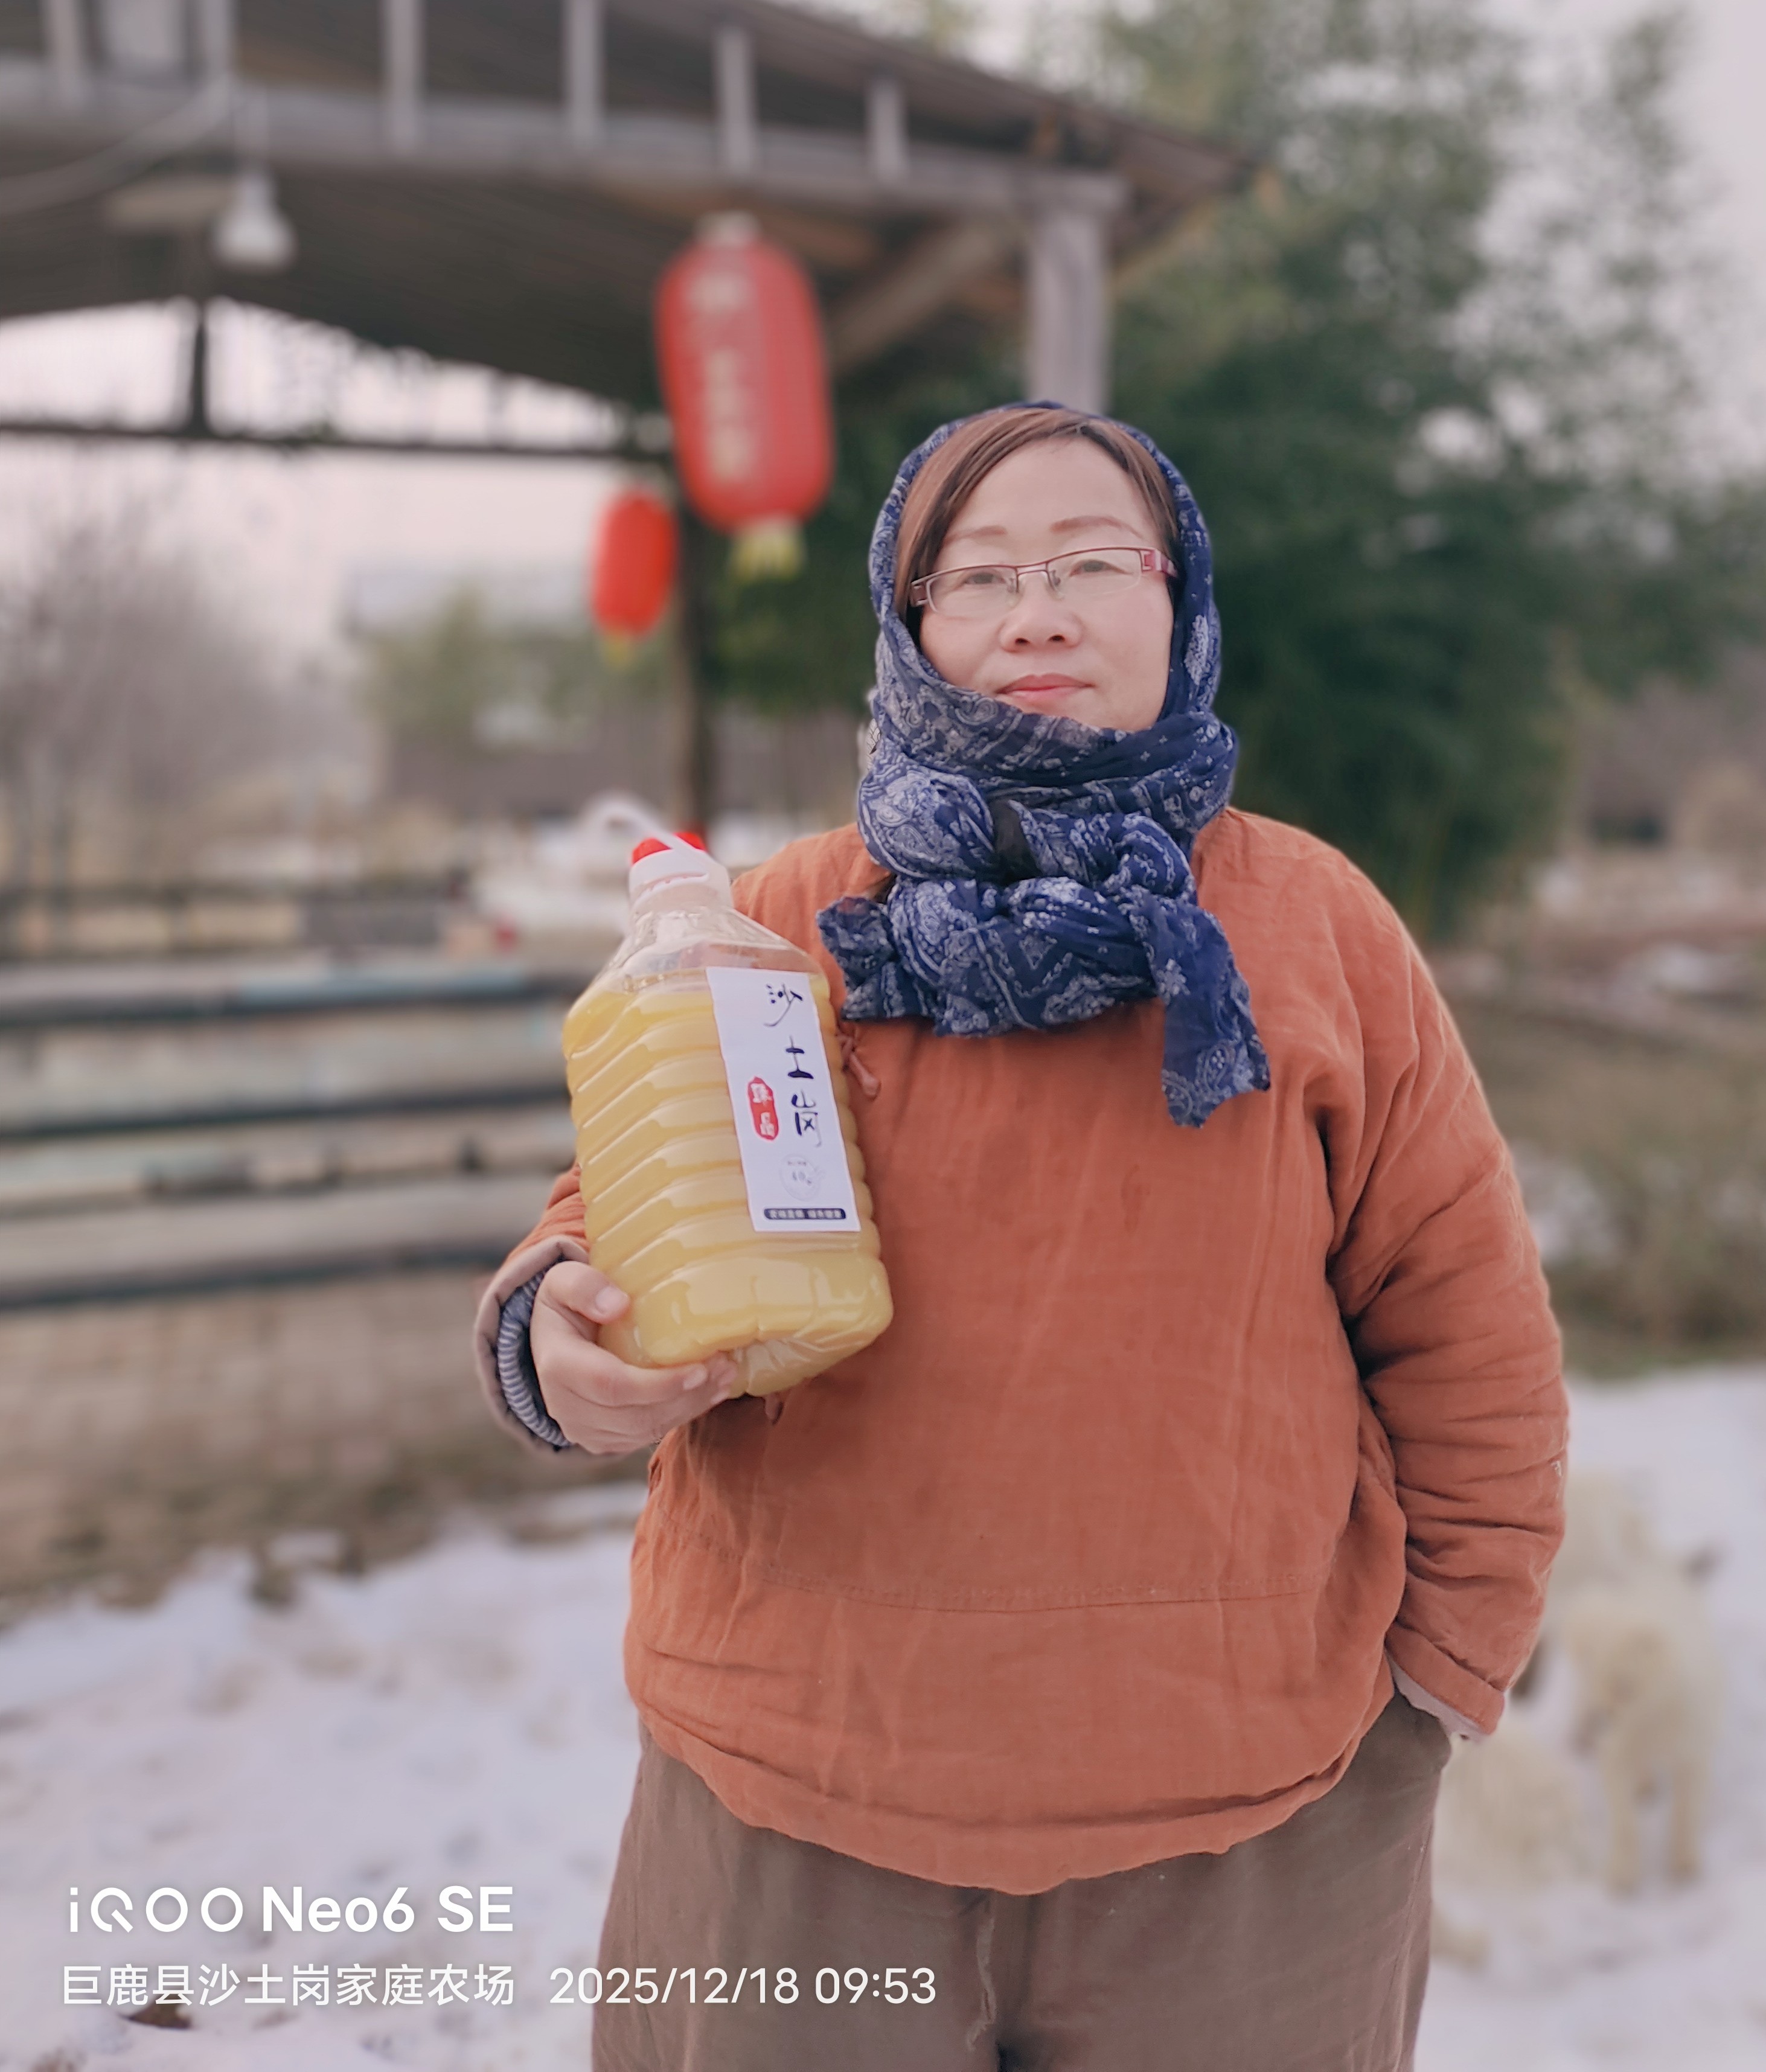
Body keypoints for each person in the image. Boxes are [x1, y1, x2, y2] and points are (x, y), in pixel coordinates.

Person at [473, 403, 1566, 2072]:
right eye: (978, 575)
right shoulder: (768, 928)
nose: (1036, 612)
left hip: (1252, 1838)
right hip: (799, 1798)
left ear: (1181, 602)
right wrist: (557, 1336)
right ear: (909, 629)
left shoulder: (1314, 923)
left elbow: (1466, 1326)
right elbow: (609, 1215)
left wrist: (1442, 1677)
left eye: (1089, 565)